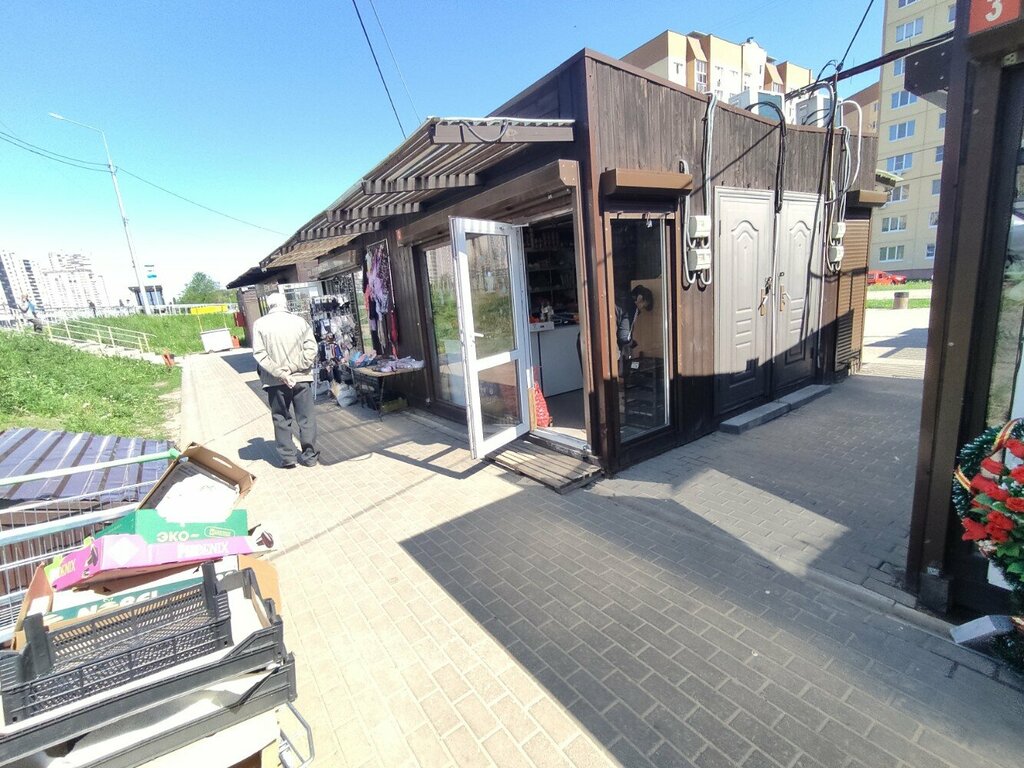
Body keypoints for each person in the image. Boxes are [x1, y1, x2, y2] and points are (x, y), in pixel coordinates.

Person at [252, 292, 319, 468]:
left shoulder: (260, 324)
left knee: (281, 418)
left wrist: (280, 372)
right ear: (285, 304)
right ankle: (310, 457)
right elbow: (311, 349)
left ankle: (288, 457)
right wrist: (293, 367)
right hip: (301, 377)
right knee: (306, 418)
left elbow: (259, 354)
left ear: (269, 305)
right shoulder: (300, 322)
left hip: (274, 381)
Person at [615, 285, 654, 372]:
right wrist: (632, 343)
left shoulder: (620, 298)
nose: (641, 309)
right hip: (609, 346)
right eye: (643, 306)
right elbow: (624, 337)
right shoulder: (632, 307)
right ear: (640, 298)